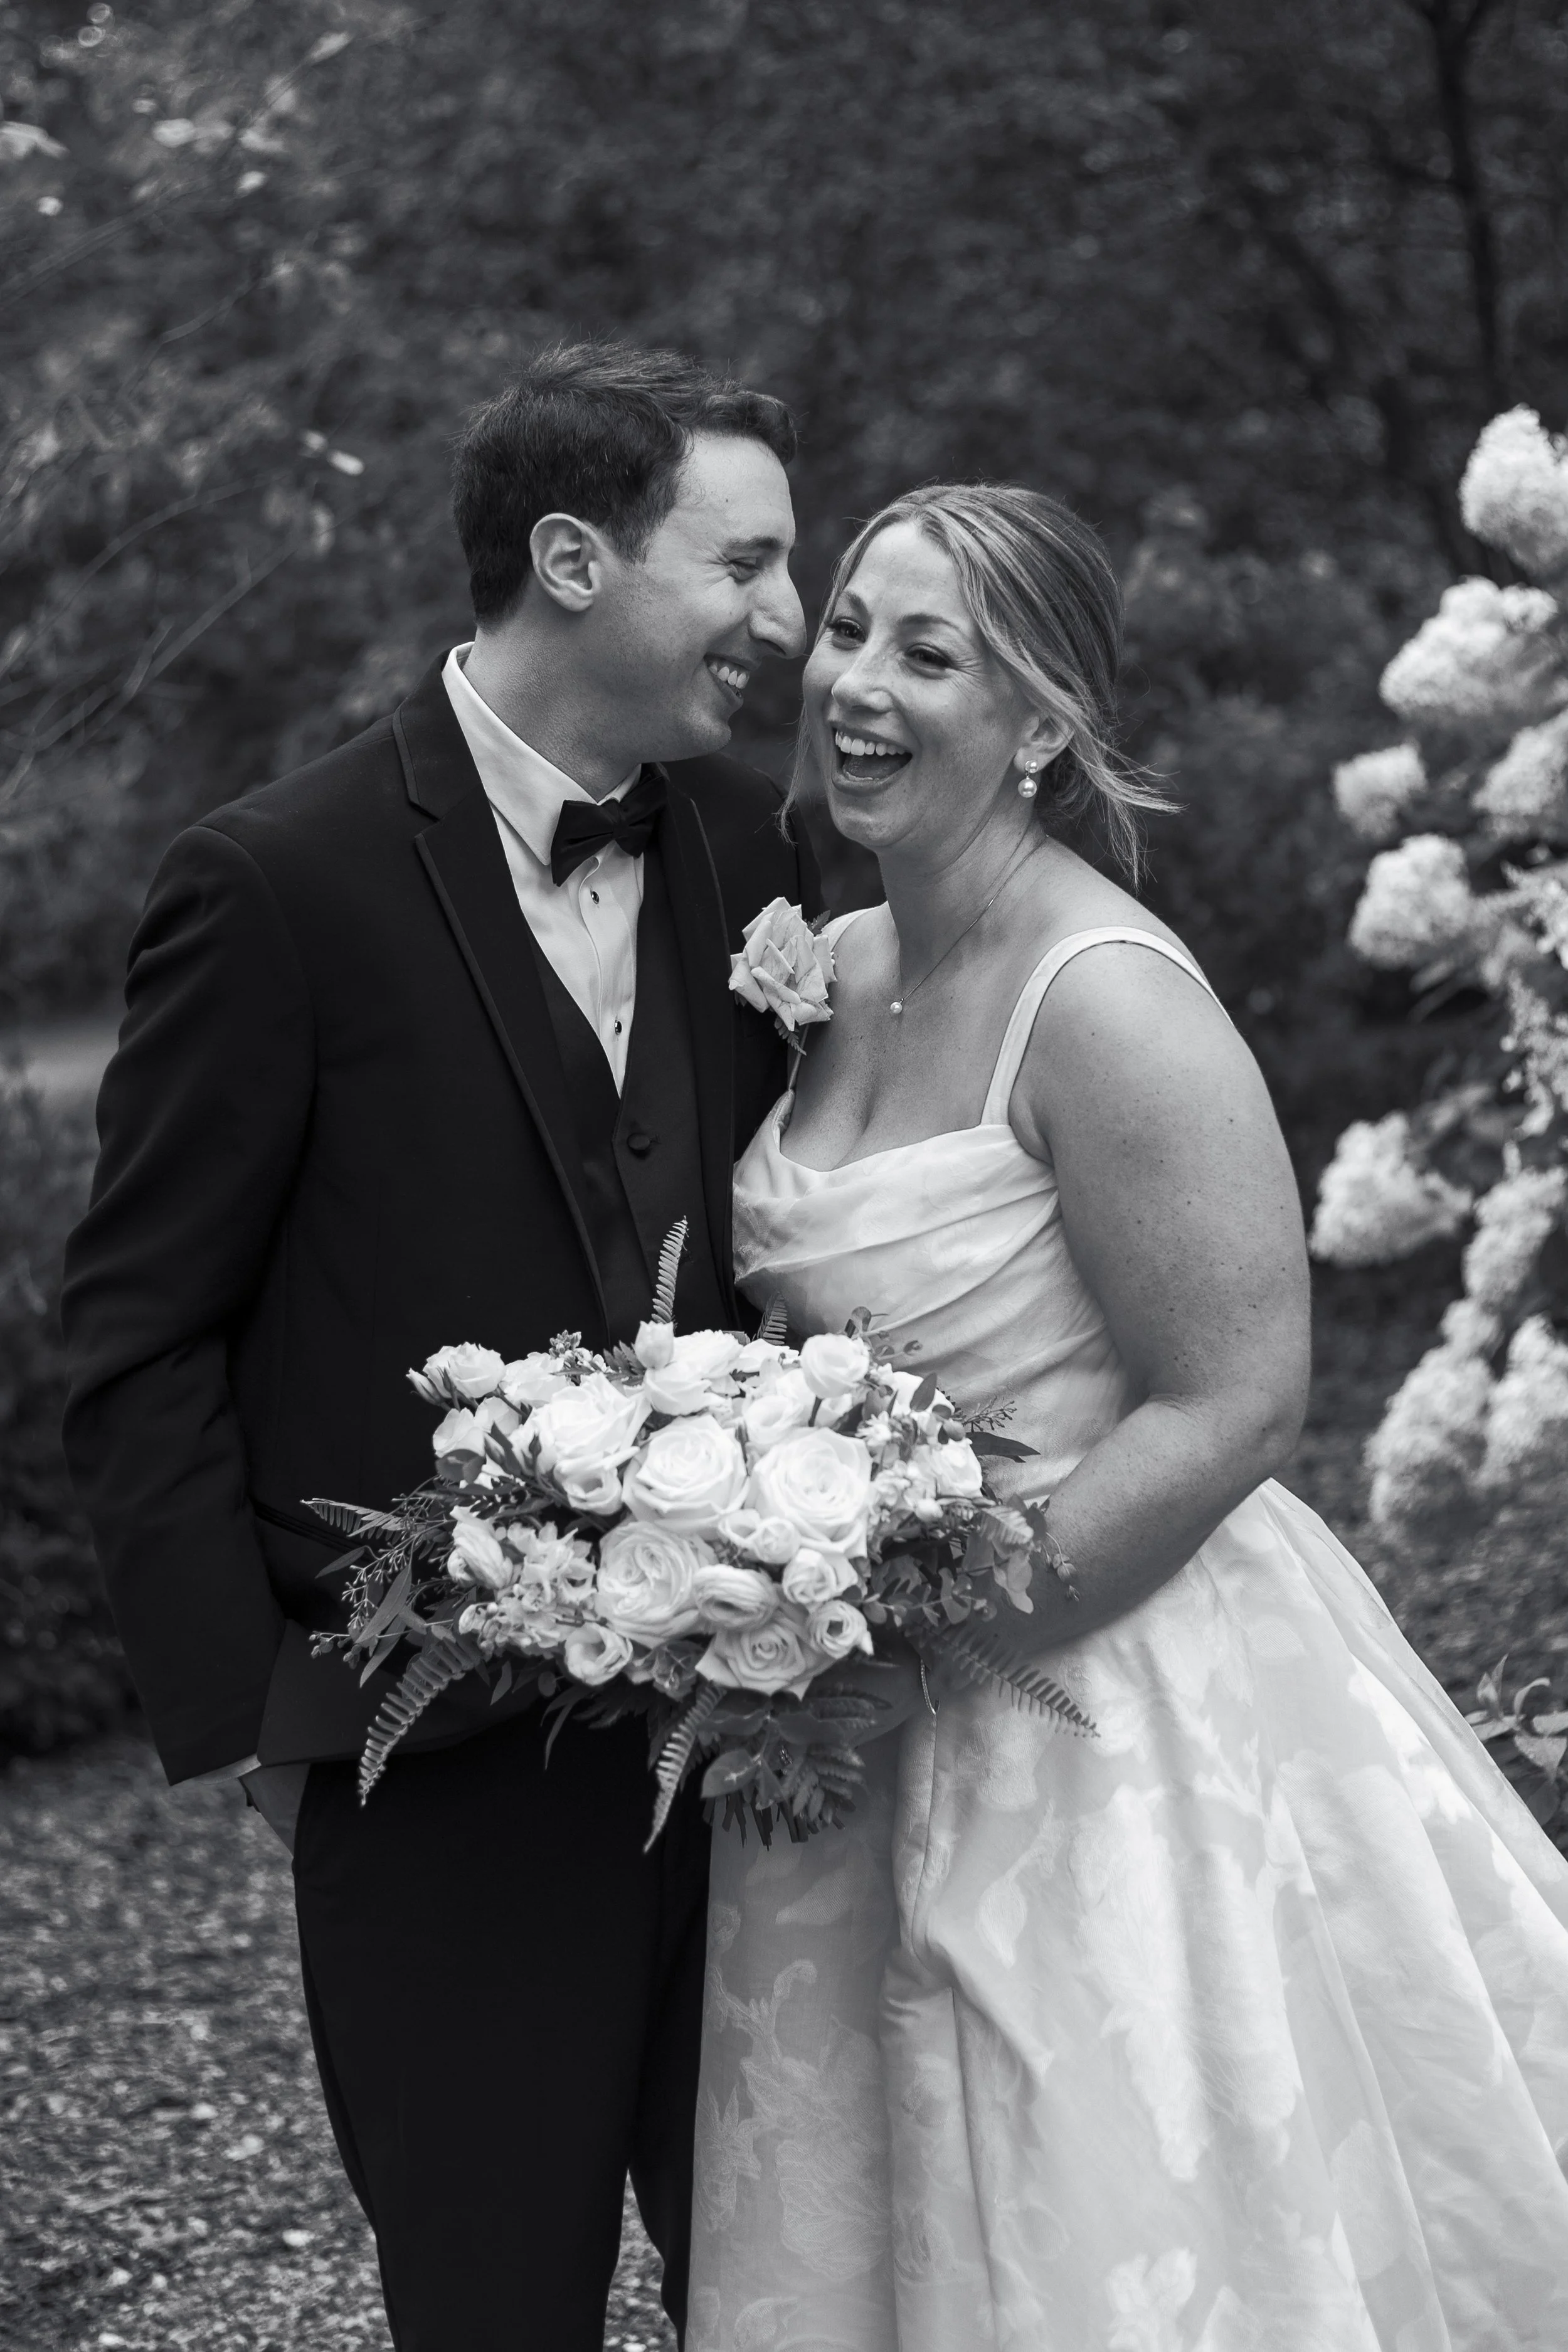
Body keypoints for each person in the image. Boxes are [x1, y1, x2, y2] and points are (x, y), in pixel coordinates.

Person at [689, 482, 1568, 2351]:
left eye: (929, 653)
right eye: (847, 622)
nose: (852, 677)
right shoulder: (823, 971)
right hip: (832, 1728)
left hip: (1092, 1711)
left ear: (1042, 723)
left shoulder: (1106, 1002)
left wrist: (916, 1645)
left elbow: (1237, 1402)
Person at [61, 339, 813, 2352]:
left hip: (771, 1742)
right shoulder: (274, 882)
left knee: (804, 2294)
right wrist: (267, 1727)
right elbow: (136, 1336)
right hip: (440, 1774)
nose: (789, 618)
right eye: (741, 561)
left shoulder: (763, 853)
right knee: (493, 2308)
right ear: (572, 556)